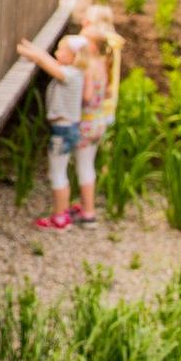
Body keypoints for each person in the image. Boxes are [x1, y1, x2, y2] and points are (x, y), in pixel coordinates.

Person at [17, 33, 87, 229]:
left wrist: (28, 52)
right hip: (68, 129)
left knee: (57, 173)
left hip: (63, 131)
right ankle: (61, 212)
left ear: (73, 55)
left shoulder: (70, 75)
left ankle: (59, 216)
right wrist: (34, 49)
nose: (56, 52)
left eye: (61, 50)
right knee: (60, 171)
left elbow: (48, 65)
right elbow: (48, 60)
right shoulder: (73, 71)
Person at [72, 23, 121, 228]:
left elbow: (88, 96)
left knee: (83, 166)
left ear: (92, 46)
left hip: (86, 122)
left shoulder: (88, 67)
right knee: (88, 165)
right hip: (98, 122)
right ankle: (86, 207)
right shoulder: (102, 63)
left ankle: (88, 212)